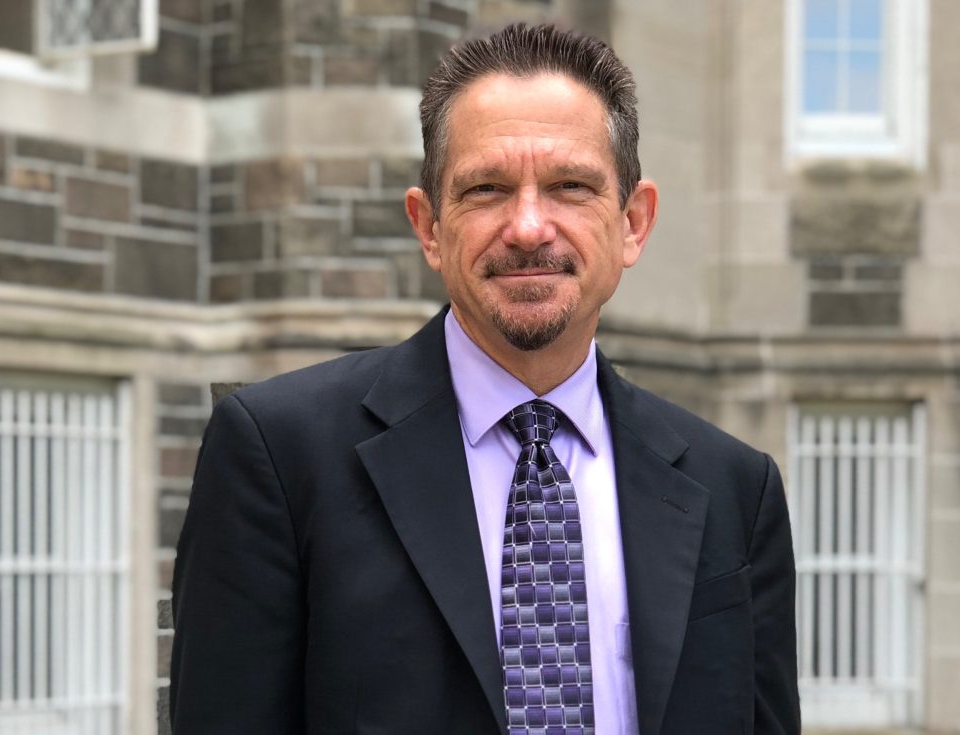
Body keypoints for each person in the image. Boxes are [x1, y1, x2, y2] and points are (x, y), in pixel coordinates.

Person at [170, 23, 800, 735]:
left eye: (570, 186)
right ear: (429, 226)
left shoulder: (735, 491)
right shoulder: (279, 461)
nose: (529, 226)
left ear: (633, 222)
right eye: (487, 189)